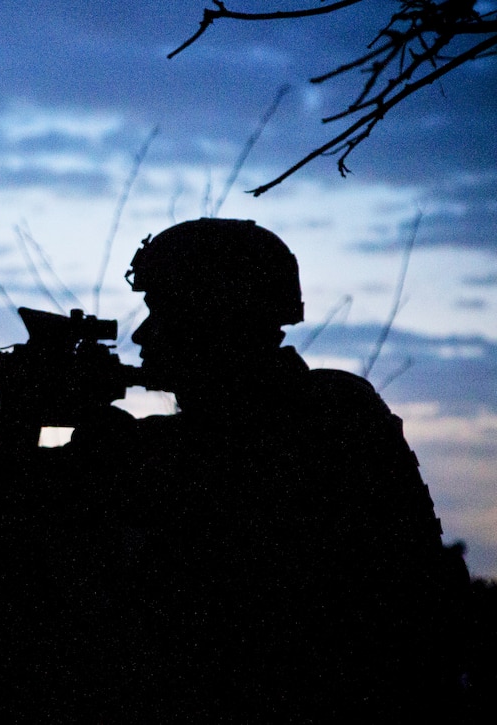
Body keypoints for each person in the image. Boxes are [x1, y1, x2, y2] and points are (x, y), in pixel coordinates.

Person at [71, 218, 456, 720]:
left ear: (213, 317)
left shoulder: (328, 417)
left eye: (162, 312)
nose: (144, 334)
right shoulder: (299, 418)